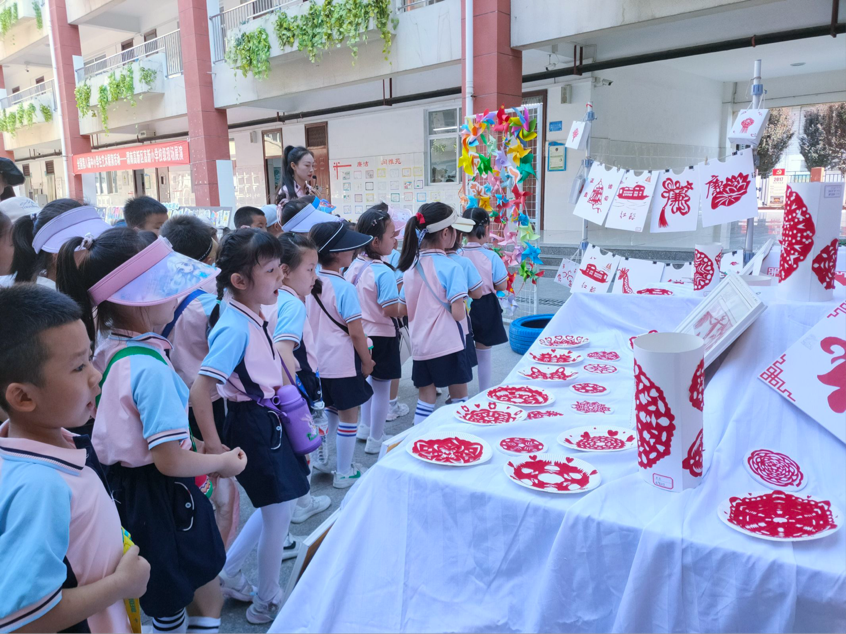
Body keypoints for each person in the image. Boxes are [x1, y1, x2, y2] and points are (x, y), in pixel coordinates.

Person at [56, 229, 246, 634]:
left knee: (160, 588)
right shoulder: (150, 368)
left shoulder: (109, 350)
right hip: (162, 495)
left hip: (124, 488)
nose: (176, 295)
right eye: (167, 287)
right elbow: (169, 459)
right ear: (137, 299)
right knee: (185, 586)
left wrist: (195, 445)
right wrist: (223, 461)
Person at [0, 284, 151, 634]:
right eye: (79, 366)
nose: (96, 374)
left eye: (90, 357)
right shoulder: (41, 486)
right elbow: (24, 619)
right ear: (23, 397)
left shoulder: (54, 445)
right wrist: (123, 585)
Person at [190, 228, 310, 624]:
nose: (282, 277)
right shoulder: (234, 326)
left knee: (281, 503)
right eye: (274, 271)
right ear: (240, 281)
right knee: (279, 512)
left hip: (265, 416)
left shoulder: (248, 311)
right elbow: (201, 390)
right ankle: (266, 599)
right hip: (253, 423)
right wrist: (213, 448)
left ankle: (230, 571)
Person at [307, 221, 375, 487]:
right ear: (336, 253)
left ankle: (321, 461)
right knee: (349, 416)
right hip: (343, 365)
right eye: (350, 246)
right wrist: (367, 362)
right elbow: (356, 333)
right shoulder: (344, 288)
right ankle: (344, 471)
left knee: (326, 413)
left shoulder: (309, 282)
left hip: (316, 364)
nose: (355, 250)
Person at [273, 232, 332, 524]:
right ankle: (300, 504)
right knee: (302, 443)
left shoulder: (270, 298)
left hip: (274, 390)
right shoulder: (292, 304)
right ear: (285, 271)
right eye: (309, 269)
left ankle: (303, 500)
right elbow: (283, 349)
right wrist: (291, 401)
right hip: (295, 388)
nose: (314, 276)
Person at [397, 203, 472, 425]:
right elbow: (459, 314)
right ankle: (460, 440)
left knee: (425, 400)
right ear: (446, 233)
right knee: (460, 398)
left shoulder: (411, 269)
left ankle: (418, 440)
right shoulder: (452, 267)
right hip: (449, 344)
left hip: (421, 346)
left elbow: (402, 310)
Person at [346, 208, 406, 453]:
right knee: (382, 389)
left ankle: (364, 427)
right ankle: (376, 439)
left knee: (371, 383)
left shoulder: (354, 266)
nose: (395, 239)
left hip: (362, 333)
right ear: (376, 241)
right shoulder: (382, 272)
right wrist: (409, 304)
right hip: (383, 336)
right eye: (392, 235)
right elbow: (391, 309)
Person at [461, 208, 509, 392]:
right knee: (484, 354)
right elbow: (501, 286)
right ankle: (484, 391)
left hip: (461, 305)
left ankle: (456, 393)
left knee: (461, 351)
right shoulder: (491, 256)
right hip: (486, 305)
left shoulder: (457, 255)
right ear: (487, 228)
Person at [10, 200, 109, 287]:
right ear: (57, 254)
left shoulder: (63, 289)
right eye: (88, 243)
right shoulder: (50, 303)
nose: (100, 248)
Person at [445, 219, 484, 398]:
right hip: (459, 325)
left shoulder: (420, 263)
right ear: (458, 236)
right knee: (458, 370)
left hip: (429, 328)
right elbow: (477, 293)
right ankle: (458, 401)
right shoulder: (461, 263)